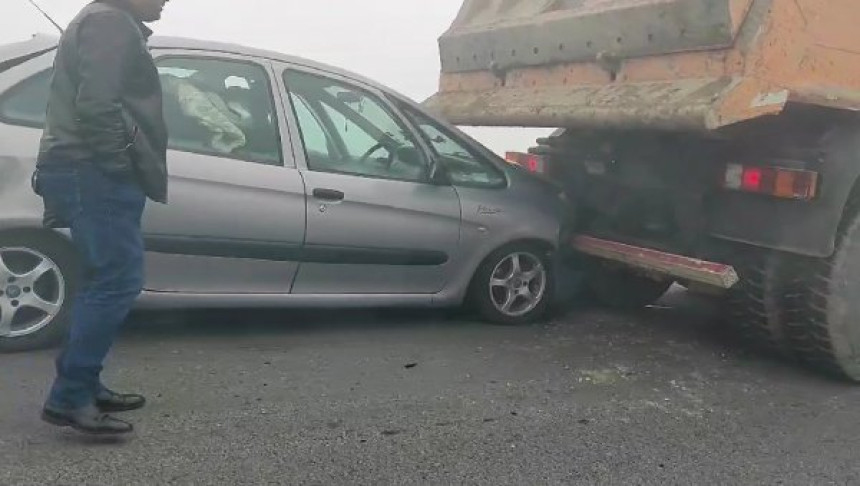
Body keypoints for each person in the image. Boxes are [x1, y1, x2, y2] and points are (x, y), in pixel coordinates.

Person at [32, 0, 170, 435]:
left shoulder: (105, 20)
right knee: (117, 280)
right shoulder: (111, 22)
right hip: (94, 170)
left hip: (87, 167)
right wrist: (119, 163)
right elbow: (96, 104)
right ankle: (70, 397)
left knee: (102, 280)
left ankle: (83, 384)